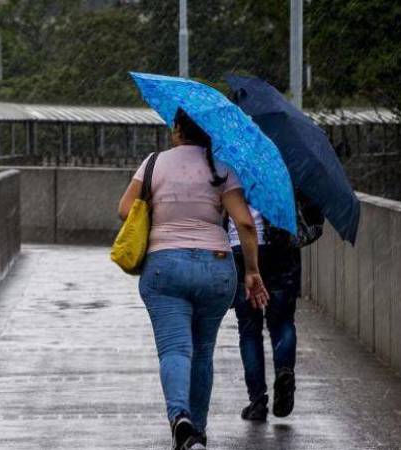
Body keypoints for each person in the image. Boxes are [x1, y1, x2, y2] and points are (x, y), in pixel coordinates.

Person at [117, 110, 267, 450]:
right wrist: (252, 271)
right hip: (216, 268)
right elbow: (245, 224)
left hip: (164, 266)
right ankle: (196, 433)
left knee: (175, 349)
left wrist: (162, 208)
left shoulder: (154, 163)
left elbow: (125, 209)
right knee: (202, 352)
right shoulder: (222, 169)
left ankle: (180, 419)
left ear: (178, 130)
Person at [227, 199, 311, 421]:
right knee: (283, 321)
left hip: (240, 248)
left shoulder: (227, 166)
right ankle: (284, 371)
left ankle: (257, 401)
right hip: (280, 245)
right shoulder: (282, 166)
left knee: (249, 330)